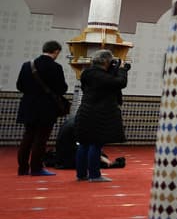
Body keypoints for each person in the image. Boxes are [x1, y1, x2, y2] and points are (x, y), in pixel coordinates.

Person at [16, 40, 68, 177]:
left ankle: (22, 168)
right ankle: (36, 168)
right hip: (46, 107)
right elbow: (62, 88)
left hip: (28, 105)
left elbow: (20, 86)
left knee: (28, 137)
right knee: (41, 139)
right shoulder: (55, 67)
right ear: (56, 51)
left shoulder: (27, 65)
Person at [76, 49, 129, 182]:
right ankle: (94, 175)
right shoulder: (100, 75)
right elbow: (120, 83)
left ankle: (81, 174)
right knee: (96, 144)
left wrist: (113, 70)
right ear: (106, 61)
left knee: (84, 144)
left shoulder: (86, 73)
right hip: (99, 113)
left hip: (85, 111)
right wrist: (122, 69)